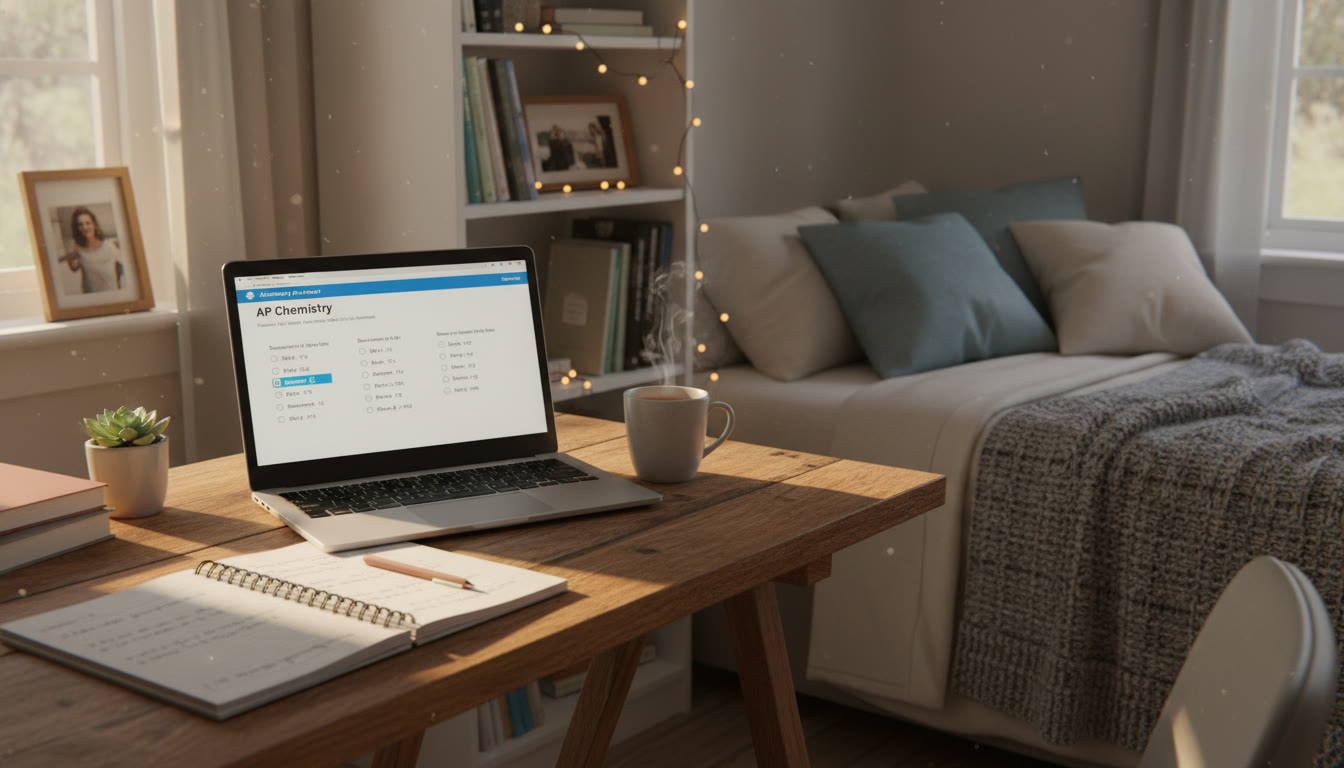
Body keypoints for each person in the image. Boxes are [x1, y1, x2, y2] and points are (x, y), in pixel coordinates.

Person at [57, 207, 124, 293]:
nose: (85, 227)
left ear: (94, 225)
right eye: (80, 225)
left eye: (88, 223)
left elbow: (126, 262)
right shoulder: (79, 250)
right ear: (77, 228)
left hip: (111, 296)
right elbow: (74, 267)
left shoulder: (109, 246)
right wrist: (73, 249)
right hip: (90, 297)